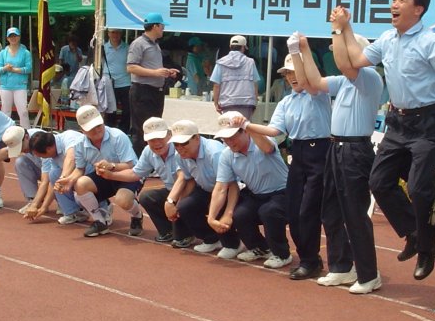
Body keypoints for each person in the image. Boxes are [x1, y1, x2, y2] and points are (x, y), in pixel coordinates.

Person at [331, 0, 435, 281]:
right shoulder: (388, 39)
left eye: (402, 0)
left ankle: (428, 247)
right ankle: (414, 233)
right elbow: (356, 59)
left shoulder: (430, 41)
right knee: (378, 182)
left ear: (418, 9)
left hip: (427, 123)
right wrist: (344, 28)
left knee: (418, 187)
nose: (394, 4)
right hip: (397, 121)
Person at [291, 30, 385, 292]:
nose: (337, 56)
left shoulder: (368, 76)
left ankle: (368, 274)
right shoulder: (344, 80)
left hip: (356, 149)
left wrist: (339, 29)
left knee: (355, 214)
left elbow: (346, 64)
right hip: (335, 147)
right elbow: (310, 83)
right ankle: (341, 267)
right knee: (330, 211)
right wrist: (302, 50)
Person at [243, 54, 332, 279]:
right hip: (298, 154)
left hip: (320, 152)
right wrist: (246, 125)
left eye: (296, 72)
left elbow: (314, 83)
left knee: (310, 211)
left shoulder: (319, 94)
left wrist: (301, 50)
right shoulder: (286, 101)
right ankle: (308, 259)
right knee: (294, 212)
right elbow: (275, 131)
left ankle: (316, 260)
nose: (292, 77)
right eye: (288, 73)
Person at [209, 111, 291, 268]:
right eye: (225, 138)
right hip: (257, 195)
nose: (229, 142)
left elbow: (267, 148)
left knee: (269, 211)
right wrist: (211, 218)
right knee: (240, 214)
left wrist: (248, 125)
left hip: (283, 193)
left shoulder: (262, 142)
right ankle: (260, 248)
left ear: (245, 132)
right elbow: (221, 188)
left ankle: (282, 254)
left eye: (233, 137)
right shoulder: (227, 155)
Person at [98, 117, 188, 244]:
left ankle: (194, 234)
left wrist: (170, 201)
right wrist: (110, 175)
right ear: (146, 141)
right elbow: (135, 173)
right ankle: (168, 231)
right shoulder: (148, 152)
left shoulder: (179, 149)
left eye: (160, 138)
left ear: (169, 135)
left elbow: (182, 178)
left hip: (188, 190)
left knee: (184, 207)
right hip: (172, 191)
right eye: (152, 139)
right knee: (147, 197)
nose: (157, 143)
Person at [57, 105, 140, 237]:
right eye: (91, 128)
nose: (97, 130)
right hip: (104, 177)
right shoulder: (79, 144)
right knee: (80, 184)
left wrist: (111, 166)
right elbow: (80, 169)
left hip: (126, 175)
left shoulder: (118, 136)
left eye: (98, 125)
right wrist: (69, 179)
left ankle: (137, 216)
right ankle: (100, 221)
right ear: (82, 130)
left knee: (122, 200)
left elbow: (131, 165)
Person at [167, 120, 242, 256]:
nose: (179, 147)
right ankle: (211, 239)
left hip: (228, 189)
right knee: (185, 207)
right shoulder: (180, 156)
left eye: (184, 143)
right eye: (176, 144)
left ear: (197, 138)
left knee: (218, 206)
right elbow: (188, 179)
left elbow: (232, 185)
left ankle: (233, 244)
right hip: (206, 188)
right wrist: (174, 202)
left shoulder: (215, 153)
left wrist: (228, 214)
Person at [126, 13, 178, 154]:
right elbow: (131, 67)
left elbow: (152, 67)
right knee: (143, 129)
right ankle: (139, 164)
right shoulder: (138, 43)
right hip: (142, 91)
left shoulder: (155, 44)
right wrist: (156, 73)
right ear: (155, 26)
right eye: (162, 26)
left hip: (156, 91)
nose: (163, 29)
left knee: (155, 128)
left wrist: (166, 72)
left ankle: (151, 162)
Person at [24, 130, 88, 224]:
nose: (42, 158)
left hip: (95, 168)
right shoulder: (53, 156)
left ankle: (103, 206)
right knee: (53, 174)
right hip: (79, 171)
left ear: (49, 149)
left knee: (79, 180)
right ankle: (73, 212)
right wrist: (43, 207)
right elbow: (51, 182)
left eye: (41, 155)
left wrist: (63, 178)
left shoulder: (69, 137)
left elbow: (71, 158)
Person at [210, 35, 260, 119]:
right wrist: (254, 103)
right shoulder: (250, 62)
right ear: (243, 47)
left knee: (229, 129)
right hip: (246, 103)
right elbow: (255, 84)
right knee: (244, 129)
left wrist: (216, 103)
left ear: (230, 47)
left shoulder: (221, 63)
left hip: (227, 103)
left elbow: (216, 85)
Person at [0, 26, 32, 128]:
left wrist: (15, 70)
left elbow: (29, 68)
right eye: (11, 36)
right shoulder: (3, 53)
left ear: (19, 37)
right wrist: (5, 68)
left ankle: (27, 133)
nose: (13, 38)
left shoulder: (26, 53)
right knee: (5, 111)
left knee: (23, 111)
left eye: (15, 36)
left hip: (20, 86)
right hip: (5, 86)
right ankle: (3, 133)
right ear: (7, 38)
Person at [103, 28, 131, 132]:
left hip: (125, 82)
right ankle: (109, 131)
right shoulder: (103, 48)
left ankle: (124, 131)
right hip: (109, 83)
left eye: (118, 32)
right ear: (108, 33)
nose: (115, 35)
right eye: (113, 32)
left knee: (128, 109)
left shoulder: (128, 48)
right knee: (110, 110)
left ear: (122, 33)